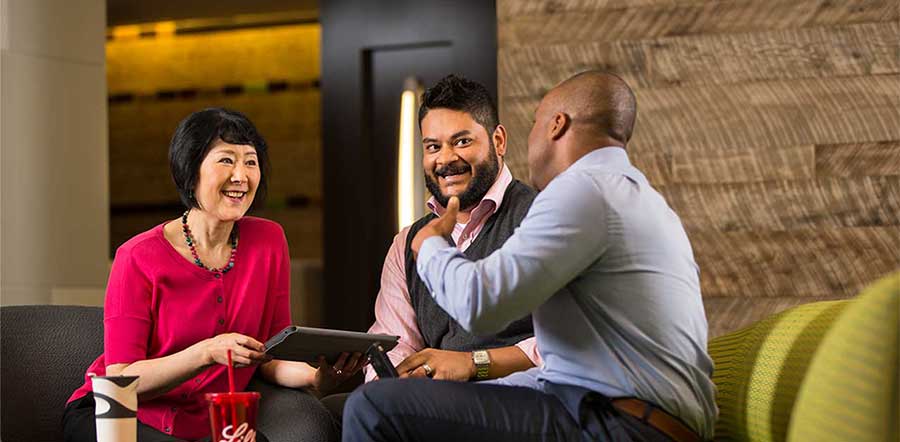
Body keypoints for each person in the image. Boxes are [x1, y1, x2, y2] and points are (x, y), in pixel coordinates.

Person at [342, 72, 718, 442]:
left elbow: (480, 303)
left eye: (535, 122)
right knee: (368, 403)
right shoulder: (635, 195)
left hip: (620, 422)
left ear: (557, 125)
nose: (532, 137)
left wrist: (430, 247)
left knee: (373, 409)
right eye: (432, 146)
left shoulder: (579, 192)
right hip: (624, 412)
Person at [63, 108, 364, 442]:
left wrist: (316, 378)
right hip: (117, 415)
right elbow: (120, 378)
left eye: (251, 162)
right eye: (226, 160)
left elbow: (270, 355)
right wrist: (206, 352)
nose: (241, 176)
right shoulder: (136, 256)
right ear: (191, 172)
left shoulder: (269, 241)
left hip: (213, 418)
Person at [322, 74, 541, 418]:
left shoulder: (541, 218)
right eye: (433, 146)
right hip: (436, 403)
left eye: (462, 141)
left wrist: (471, 364)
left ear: (498, 140)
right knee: (336, 412)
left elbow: (562, 347)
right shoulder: (407, 242)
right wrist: (388, 385)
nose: (446, 159)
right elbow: (393, 343)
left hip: (519, 400)